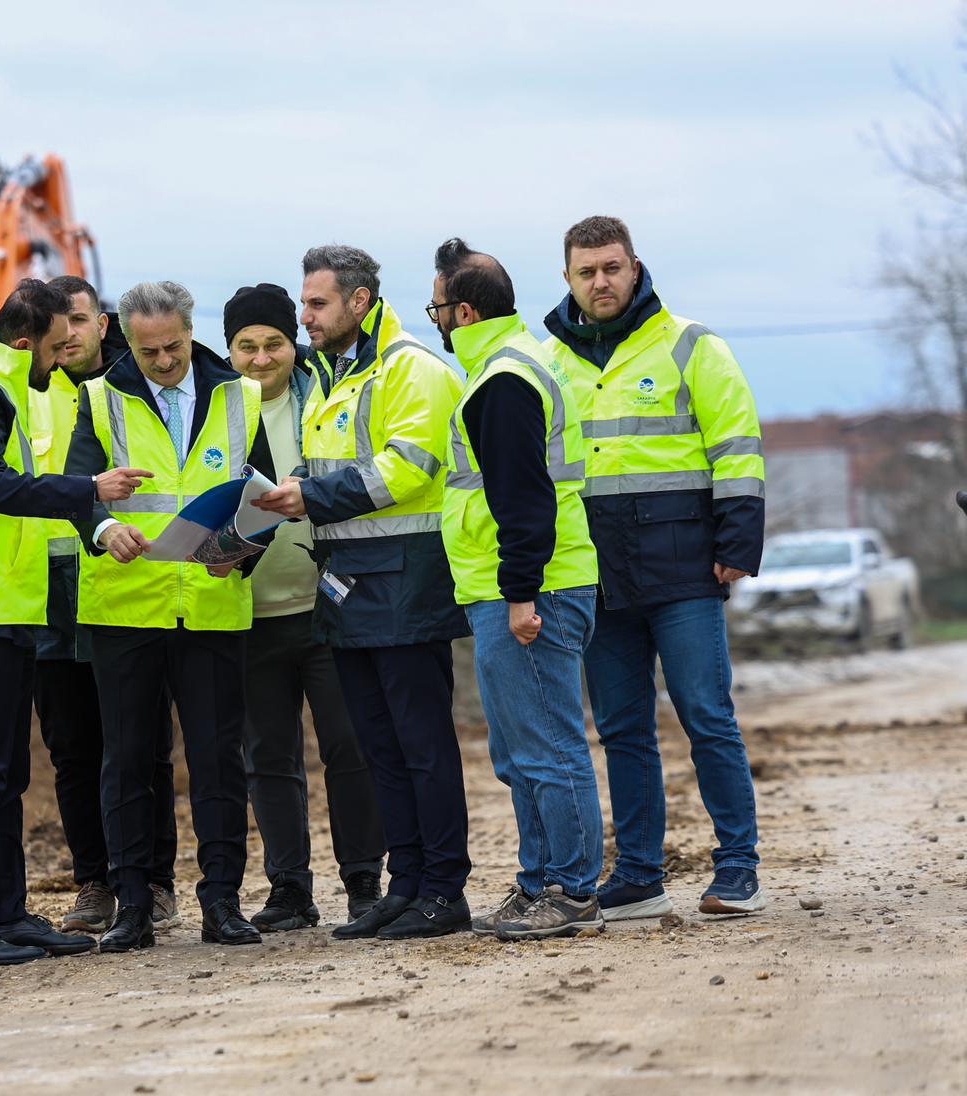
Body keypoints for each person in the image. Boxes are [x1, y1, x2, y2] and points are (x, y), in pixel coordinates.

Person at [0, 278, 153, 965]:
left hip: (2, 604)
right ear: (26, 343)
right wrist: (88, 490)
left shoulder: (2, 384)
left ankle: (8, 913)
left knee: (5, 774)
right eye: (53, 348)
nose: (59, 359)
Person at [543, 215, 767, 918]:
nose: (600, 281)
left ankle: (738, 868)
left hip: (685, 566)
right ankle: (639, 873)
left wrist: (736, 545)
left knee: (706, 713)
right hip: (596, 573)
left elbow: (737, 448)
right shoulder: (549, 361)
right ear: (569, 278)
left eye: (612, 267)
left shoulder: (690, 344)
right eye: (587, 271)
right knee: (621, 728)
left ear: (635, 267)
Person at [255, 245, 472, 941]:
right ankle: (403, 886)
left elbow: (408, 469)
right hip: (345, 587)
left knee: (422, 746)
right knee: (380, 748)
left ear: (359, 301)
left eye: (316, 304)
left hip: (406, 580)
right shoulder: (333, 375)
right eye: (304, 303)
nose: (304, 318)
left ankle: (443, 890)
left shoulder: (414, 367)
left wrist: (309, 496)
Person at [65, 280, 275, 952]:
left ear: (192, 331)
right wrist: (103, 531)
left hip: (212, 605)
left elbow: (262, 495)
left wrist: (239, 556)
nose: (161, 361)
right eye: (147, 350)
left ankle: (222, 902)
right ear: (125, 340)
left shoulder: (240, 394)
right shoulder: (97, 398)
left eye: (173, 347)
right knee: (126, 761)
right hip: (126, 606)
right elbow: (75, 494)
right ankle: (134, 905)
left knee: (218, 761)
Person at [429, 239, 605, 940]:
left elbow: (524, 498)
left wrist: (522, 594)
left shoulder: (503, 379)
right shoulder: (504, 368)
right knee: (518, 751)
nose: (434, 319)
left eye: (436, 306)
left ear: (462, 310)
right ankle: (539, 882)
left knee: (549, 748)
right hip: (513, 590)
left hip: (534, 593)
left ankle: (570, 890)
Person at [223, 282, 386, 930]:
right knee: (269, 756)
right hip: (250, 609)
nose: (261, 359)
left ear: (293, 343)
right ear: (229, 348)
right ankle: (289, 888)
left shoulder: (323, 395)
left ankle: (364, 882)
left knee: (349, 747)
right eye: (246, 347)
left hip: (325, 604)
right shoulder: (215, 410)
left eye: (273, 344)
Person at [31, 275, 182, 935]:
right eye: (55, 322)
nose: (67, 332)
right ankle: (94, 883)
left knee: (143, 744)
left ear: (103, 323)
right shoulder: (20, 390)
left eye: (80, 318)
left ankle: (154, 879)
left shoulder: (132, 385)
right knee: (72, 746)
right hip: (46, 589)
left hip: (128, 585)